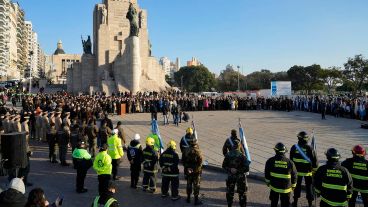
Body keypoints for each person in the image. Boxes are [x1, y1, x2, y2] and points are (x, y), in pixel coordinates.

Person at [289, 131, 318, 207]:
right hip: (308, 173)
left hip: (297, 172)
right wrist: (315, 171)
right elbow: (315, 161)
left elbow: (291, 161)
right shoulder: (310, 148)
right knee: (309, 188)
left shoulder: (294, 147)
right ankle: (310, 204)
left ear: (298, 138)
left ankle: (295, 203)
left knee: (297, 187)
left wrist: (292, 171)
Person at [265, 143, 297, 207]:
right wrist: (293, 185)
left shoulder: (270, 161)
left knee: (274, 203)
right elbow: (294, 175)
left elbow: (267, 173)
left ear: (275, 150)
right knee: (285, 204)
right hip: (286, 188)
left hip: (274, 187)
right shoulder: (290, 162)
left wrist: (268, 183)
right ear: (284, 151)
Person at [222, 139, 249, 207]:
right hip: (240, 178)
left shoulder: (228, 155)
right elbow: (246, 168)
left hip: (231, 176)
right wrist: (238, 170)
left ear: (233, 146)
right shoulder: (242, 156)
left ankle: (229, 205)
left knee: (230, 192)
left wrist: (230, 169)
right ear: (239, 146)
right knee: (242, 193)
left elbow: (224, 166)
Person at [182, 136, 203, 205]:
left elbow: (183, 161)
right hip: (196, 171)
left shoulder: (185, 150)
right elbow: (200, 162)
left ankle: (188, 198)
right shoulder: (198, 151)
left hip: (188, 170)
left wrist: (187, 167)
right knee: (196, 185)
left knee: (189, 184)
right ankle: (196, 200)